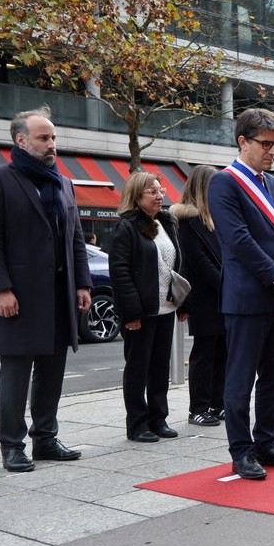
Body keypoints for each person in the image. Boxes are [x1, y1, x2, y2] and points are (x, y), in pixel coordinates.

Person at [0, 106, 92, 472]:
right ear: (21, 140)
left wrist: (83, 283)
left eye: (53, 137)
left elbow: (75, 238)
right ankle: (12, 445)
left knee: (52, 369)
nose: (51, 144)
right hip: (19, 296)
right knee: (16, 372)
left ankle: (45, 439)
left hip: (59, 294)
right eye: (44, 138)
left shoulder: (64, 182)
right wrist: (1, 289)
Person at [208, 108, 274, 480]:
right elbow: (238, 241)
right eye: (265, 144)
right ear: (243, 142)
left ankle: (268, 441)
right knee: (240, 378)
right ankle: (241, 450)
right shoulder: (224, 183)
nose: (272, 151)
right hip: (248, 297)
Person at [110, 172, 188, 442]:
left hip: (165, 308)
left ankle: (158, 419)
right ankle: (138, 424)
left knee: (159, 368)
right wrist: (130, 314)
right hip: (140, 312)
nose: (159, 196)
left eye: (160, 190)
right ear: (136, 196)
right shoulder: (126, 227)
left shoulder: (166, 222)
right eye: (152, 192)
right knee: (137, 369)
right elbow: (120, 273)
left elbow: (176, 264)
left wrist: (183, 303)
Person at [170, 165, 225, 427]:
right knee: (204, 354)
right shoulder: (188, 222)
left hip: (221, 296)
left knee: (222, 352)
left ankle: (219, 403)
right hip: (205, 298)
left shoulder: (214, 217)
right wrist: (228, 283)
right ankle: (198, 408)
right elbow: (198, 263)